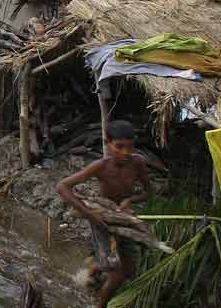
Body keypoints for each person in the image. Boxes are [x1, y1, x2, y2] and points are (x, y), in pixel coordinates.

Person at [55, 120, 153, 308]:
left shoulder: (138, 163)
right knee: (116, 275)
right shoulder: (100, 166)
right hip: (101, 218)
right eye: (119, 147)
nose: (125, 152)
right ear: (107, 144)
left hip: (123, 217)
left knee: (129, 269)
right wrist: (91, 214)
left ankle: (95, 268)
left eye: (130, 147)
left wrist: (131, 201)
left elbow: (149, 191)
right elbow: (62, 186)